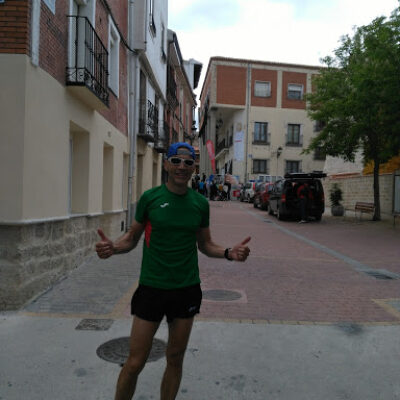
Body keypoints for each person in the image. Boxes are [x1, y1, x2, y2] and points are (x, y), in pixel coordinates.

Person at [95, 142, 251, 400]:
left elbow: (205, 244)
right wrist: (113, 248)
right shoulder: (150, 198)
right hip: (152, 289)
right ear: (166, 164)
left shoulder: (200, 204)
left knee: (175, 358)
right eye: (176, 161)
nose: (181, 166)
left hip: (186, 290)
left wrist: (228, 253)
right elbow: (131, 238)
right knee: (134, 362)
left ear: (193, 168)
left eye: (188, 162)